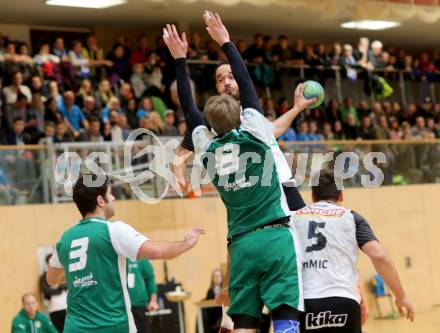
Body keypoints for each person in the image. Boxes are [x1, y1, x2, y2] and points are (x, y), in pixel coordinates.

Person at [162, 13, 312, 332]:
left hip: (242, 237)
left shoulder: (207, 142)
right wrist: (227, 42)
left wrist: (180, 61)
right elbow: (250, 92)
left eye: (230, 77)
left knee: (245, 319)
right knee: (287, 308)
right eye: (220, 78)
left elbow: (189, 112)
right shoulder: (255, 127)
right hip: (275, 224)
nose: (228, 81)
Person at [46, 174, 204, 333]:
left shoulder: (65, 238)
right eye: (110, 193)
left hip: (75, 328)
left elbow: (51, 279)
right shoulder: (113, 230)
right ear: (101, 201)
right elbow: (157, 252)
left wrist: (83, 274)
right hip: (113, 326)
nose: (114, 197)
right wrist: (186, 243)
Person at [292, 169, 415, 332]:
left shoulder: (294, 218)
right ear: (341, 195)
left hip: (306, 302)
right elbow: (379, 256)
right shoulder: (352, 218)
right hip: (345, 301)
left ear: (313, 196)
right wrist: (401, 296)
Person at [127, 259, 159, 333]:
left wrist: (153, 300)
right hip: (121, 305)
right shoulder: (118, 256)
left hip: (140, 303)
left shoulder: (142, 259)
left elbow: (150, 279)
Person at [40, 254, 68, 332]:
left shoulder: (65, 273)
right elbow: (46, 290)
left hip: (67, 307)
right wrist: (59, 289)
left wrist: (58, 286)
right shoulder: (44, 276)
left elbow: (69, 284)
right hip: (54, 309)